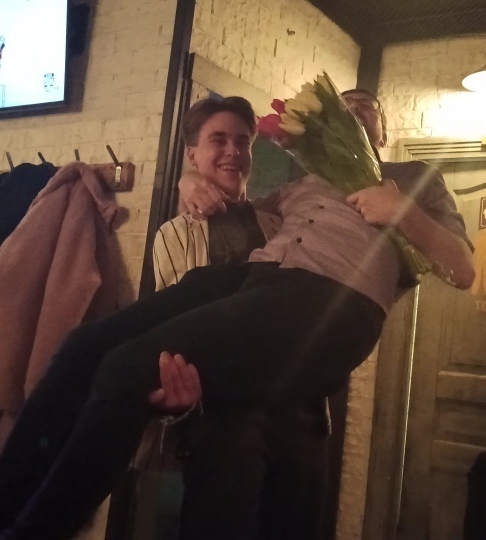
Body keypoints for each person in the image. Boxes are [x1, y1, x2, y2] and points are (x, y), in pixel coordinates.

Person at [0, 93, 474, 540]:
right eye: (344, 105)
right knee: (84, 346)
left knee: (125, 368)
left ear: (384, 132)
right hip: (254, 281)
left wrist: (403, 211)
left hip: (332, 300)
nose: (353, 110)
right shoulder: (303, 185)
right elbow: (236, 209)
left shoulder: (416, 178)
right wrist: (190, 180)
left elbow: (464, 269)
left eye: (367, 106)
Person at [147, 96, 330, 540]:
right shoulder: (174, 234)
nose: (233, 151)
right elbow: (178, 325)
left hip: (298, 413)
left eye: (242, 141)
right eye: (218, 140)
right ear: (192, 153)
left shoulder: (280, 222)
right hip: (224, 418)